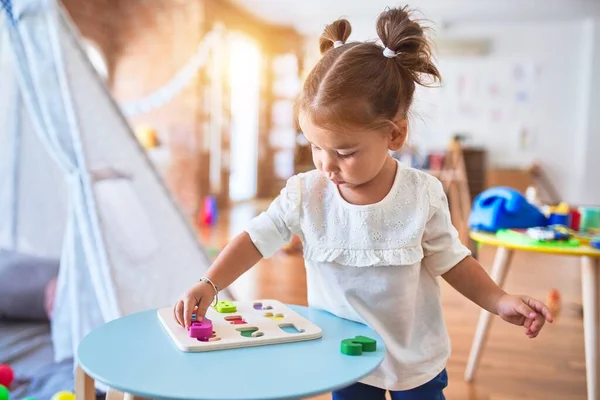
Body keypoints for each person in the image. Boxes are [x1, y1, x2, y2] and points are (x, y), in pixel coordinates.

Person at [174, 6, 553, 399]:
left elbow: (453, 261)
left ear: (395, 134)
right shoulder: (306, 192)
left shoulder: (421, 193)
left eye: (344, 152)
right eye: (316, 147)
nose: (326, 164)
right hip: (343, 358)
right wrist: (210, 282)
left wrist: (500, 299)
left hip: (413, 362)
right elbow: (256, 238)